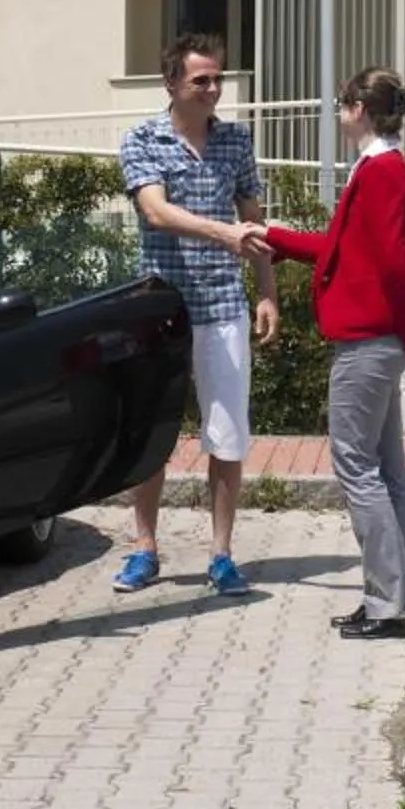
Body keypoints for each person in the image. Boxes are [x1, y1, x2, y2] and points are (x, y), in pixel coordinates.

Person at [237, 67, 405, 641]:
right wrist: (271, 234)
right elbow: (341, 249)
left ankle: (389, 603)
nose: (339, 112)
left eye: (344, 104)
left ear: (362, 110)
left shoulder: (382, 173)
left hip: (368, 341)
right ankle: (393, 595)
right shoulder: (378, 169)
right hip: (376, 338)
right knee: (385, 470)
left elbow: (395, 266)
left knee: (355, 466)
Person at [113, 33, 277, 596]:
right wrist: (223, 233)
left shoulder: (235, 141)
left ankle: (222, 555)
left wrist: (267, 292)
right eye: (200, 80)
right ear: (171, 84)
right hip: (159, 309)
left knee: (228, 435)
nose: (212, 89)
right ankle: (144, 549)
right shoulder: (142, 139)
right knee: (153, 432)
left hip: (224, 307)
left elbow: (255, 223)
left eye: (217, 79)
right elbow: (155, 211)